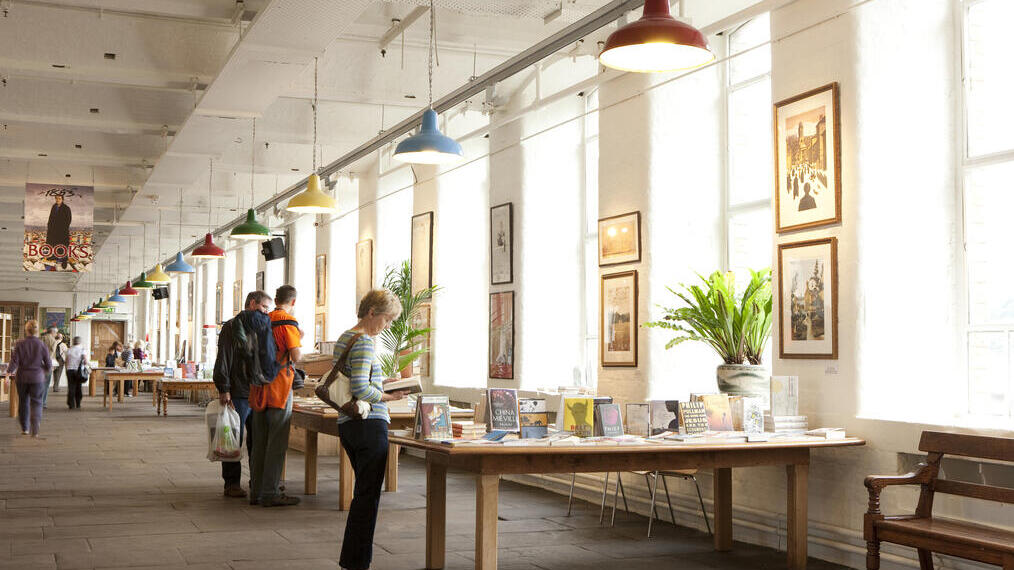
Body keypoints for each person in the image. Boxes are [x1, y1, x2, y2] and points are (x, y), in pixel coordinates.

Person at [334, 289, 411, 570]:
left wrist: (381, 381)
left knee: (363, 494)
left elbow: (354, 378)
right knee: (368, 497)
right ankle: (357, 562)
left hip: (349, 424)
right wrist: (390, 396)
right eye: (387, 319)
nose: (387, 326)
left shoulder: (345, 337)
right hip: (369, 424)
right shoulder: (365, 342)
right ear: (371, 312)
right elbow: (361, 389)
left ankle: (353, 559)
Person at [213, 290, 274, 499]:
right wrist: (224, 388)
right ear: (252, 303)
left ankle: (257, 481)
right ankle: (231, 483)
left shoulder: (262, 327)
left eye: (268, 309)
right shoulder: (232, 326)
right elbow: (224, 357)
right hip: (237, 391)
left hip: (258, 391)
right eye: (264, 307)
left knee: (258, 440)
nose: (266, 312)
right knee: (232, 439)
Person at [248, 285, 302, 507]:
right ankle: (270, 493)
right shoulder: (288, 322)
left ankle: (255, 492)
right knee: (277, 442)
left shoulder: (263, 320)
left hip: (259, 386)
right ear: (293, 302)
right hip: (279, 386)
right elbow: (295, 356)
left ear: (276, 298)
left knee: (259, 442)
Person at [10, 320, 51, 436]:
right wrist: (42, 371)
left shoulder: (19, 344)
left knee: (23, 402)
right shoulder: (41, 345)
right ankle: (35, 429)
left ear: (26, 330)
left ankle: (25, 428)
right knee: (37, 403)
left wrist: (8, 372)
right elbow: (48, 364)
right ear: (37, 331)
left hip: (22, 378)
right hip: (37, 379)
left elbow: (14, 361)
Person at [46, 194, 72, 268]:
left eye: (59, 198)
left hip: (62, 231)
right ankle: (54, 256)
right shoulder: (54, 207)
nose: (58, 200)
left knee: (63, 245)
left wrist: (63, 228)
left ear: (62, 199)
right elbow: (51, 217)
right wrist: (49, 225)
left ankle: (64, 260)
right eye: (56, 198)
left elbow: (69, 219)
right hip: (53, 230)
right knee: (55, 244)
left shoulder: (66, 208)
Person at [64, 336, 87, 409]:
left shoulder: (69, 350)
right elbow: (85, 361)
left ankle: (71, 404)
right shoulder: (82, 349)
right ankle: (78, 403)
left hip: (70, 370)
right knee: (78, 387)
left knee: (71, 387)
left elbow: (66, 361)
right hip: (78, 371)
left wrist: (66, 369)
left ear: (73, 341)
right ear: (80, 342)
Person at [40, 326, 59, 409]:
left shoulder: (41, 338)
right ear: (52, 332)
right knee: (46, 384)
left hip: (39, 364)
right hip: (47, 364)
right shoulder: (53, 341)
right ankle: (43, 402)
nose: (56, 334)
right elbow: (52, 353)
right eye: (56, 332)